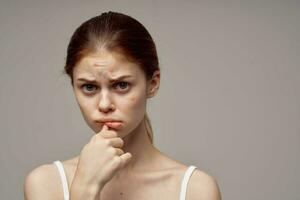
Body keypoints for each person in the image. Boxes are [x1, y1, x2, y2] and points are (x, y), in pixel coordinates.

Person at [24, 11, 221, 200]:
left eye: (121, 85)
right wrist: (84, 189)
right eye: (89, 87)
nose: (104, 105)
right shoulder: (45, 184)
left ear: (152, 83)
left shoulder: (196, 190)